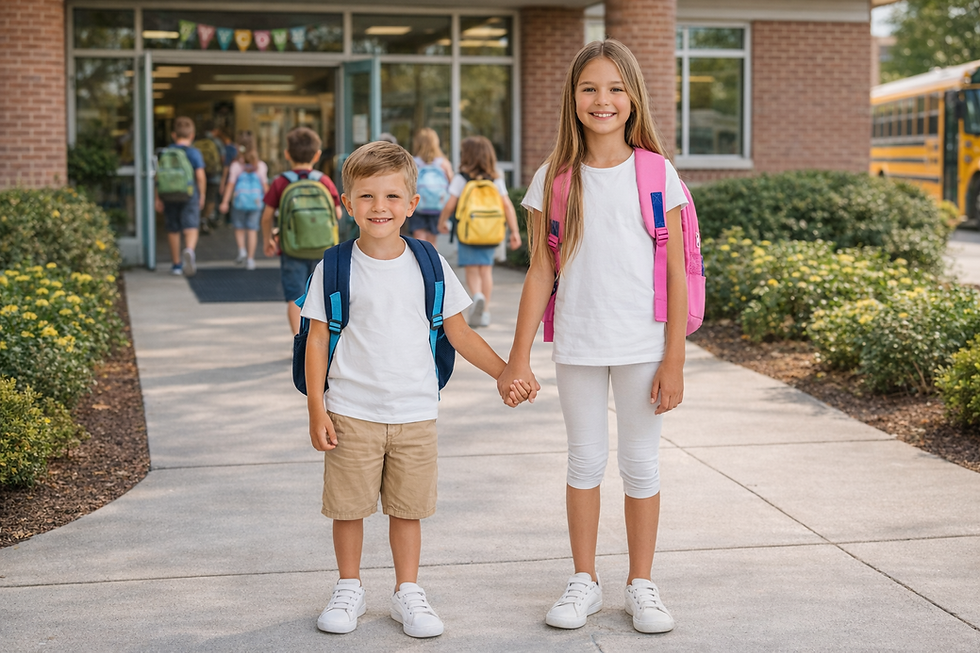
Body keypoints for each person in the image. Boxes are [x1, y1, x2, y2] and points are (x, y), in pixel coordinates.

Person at [495, 39, 688, 635]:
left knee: (641, 463)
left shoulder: (657, 173)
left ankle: (641, 583)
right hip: (578, 343)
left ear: (633, 98)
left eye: (614, 88)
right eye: (589, 88)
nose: (602, 100)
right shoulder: (554, 178)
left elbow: (677, 272)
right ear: (573, 98)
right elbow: (540, 270)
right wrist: (517, 358)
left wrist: (675, 360)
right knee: (584, 460)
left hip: (643, 347)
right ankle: (585, 580)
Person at [301, 141, 531, 638]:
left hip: (415, 413)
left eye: (391, 196)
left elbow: (459, 333)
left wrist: (505, 372)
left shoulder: (430, 263)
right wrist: (316, 408)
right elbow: (317, 339)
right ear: (347, 203)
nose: (378, 207)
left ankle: (407, 591)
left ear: (411, 204)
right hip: (350, 410)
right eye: (366, 196)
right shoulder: (334, 266)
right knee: (349, 509)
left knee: (407, 511)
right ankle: (349, 587)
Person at [261, 127, 342, 335]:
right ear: (317, 155)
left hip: (292, 249)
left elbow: (267, 216)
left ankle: (300, 342)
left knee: (294, 297)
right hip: (323, 248)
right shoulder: (324, 181)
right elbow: (338, 214)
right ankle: (320, 341)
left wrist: (268, 239)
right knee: (323, 295)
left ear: (287, 154)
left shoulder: (280, 182)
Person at [437, 136, 521, 327]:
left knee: (472, 269)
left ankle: (476, 296)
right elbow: (507, 205)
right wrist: (514, 232)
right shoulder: (496, 178)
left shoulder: (461, 178)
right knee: (486, 270)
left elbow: (450, 205)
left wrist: (442, 222)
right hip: (490, 232)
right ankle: (486, 311)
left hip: (468, 232)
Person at [155, 116, 205, 277]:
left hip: (168, 194)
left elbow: (158, 177)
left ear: (173, 135)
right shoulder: (194, 153)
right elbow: (200, 177)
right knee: (191, 226)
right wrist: (202, 195)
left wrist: (157, 198)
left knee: (173, 228)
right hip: (189, 194)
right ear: (192, 135)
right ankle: (189, 250)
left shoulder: (165, 153)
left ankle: (176, 264)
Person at [219, 130, 268, 270]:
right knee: (252, 230)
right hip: (255, 202)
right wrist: (271, 203)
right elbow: (265, 186)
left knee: (239, 227)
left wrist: (224, 202)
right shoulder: (260, 166)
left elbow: (230, 185)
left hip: (239, 202)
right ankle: (251, 260)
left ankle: (242, 250)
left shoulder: (236, 166)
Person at [410, 128, 454, 246]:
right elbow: (452, 184)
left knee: (419, 239)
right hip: (437, 206)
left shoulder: (413, 162)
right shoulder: (443, 163)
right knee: (432, 241)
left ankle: (419, 257)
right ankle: (431, 257)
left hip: (418, 205)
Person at [194, 121, 227, 233]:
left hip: (198, 174)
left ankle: (197, 219)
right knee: (211, 199)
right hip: (214, 175)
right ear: (215, 130)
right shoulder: (217, 142)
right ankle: (204, 220)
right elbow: (223, 158)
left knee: (199, 197)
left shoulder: (197, 141)